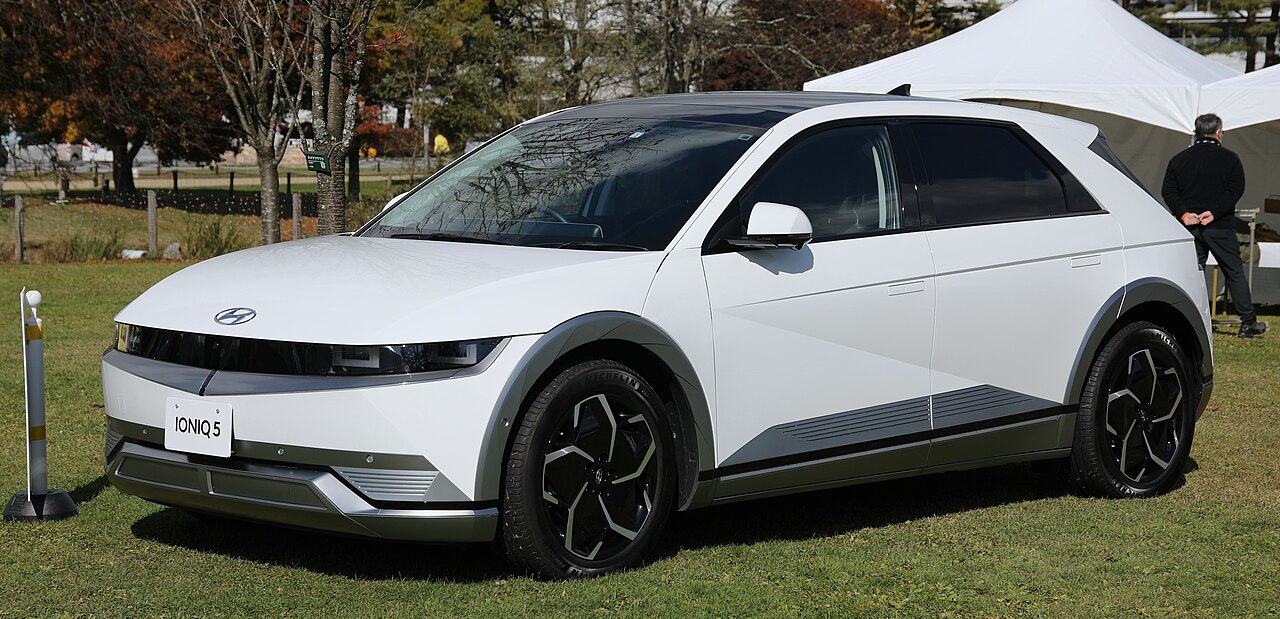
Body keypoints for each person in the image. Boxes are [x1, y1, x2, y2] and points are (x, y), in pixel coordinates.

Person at [1162, 113, 1267, 338]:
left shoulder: (1179, 159)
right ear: (1219, 133)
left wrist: (1185, 214)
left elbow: (1168, 190)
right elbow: (1235, 189)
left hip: (1190, 227)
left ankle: (1185, 323)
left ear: (1196, 132)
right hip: (1220, 226)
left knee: (1191, 274)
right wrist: (1214, 212)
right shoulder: (1230, 159)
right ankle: (1248, 323)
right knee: (1234, 273)